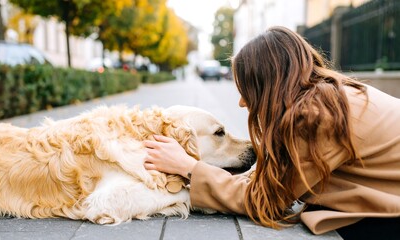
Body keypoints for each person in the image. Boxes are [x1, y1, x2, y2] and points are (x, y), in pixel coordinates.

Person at [143, 26, 400, 239]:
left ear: (268, 85)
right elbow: (270, 178)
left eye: (245, 88)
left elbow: (266, 201)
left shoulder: (317, 115)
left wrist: (188, 167)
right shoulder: (324, 97)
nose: (242, 103)